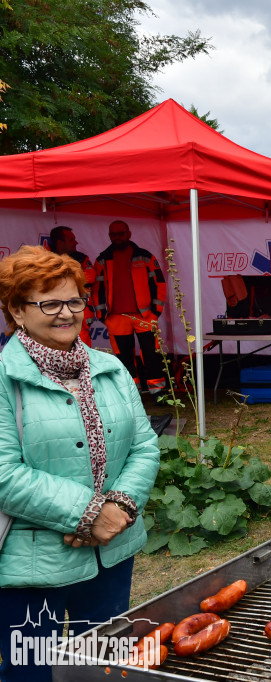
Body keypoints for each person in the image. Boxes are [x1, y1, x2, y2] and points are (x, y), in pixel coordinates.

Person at [0, 246, 160, 682]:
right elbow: (4, 472)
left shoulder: (109, 367)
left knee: (105, 667)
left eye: (74, 300)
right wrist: (90, 513)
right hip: (32, 564)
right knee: (30, 671)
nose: (66, 313)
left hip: (112, 552)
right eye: (48, 302)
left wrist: (121, 508)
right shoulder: (4, 377)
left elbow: (145, 446)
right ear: (17, 309)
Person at [92, 220, 167, 393]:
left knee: (152, 355)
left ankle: (158, 392)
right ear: (109, 236)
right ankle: (131, 392)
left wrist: (155, 311)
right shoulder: (102, 259)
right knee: (123, 358)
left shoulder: (145, 256)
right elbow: (97, 289)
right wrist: (102, 314)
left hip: (145, 315)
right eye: (114, 234)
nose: (117, 237)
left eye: (121, 233)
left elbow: (159, 283)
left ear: (129, 234)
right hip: (116, 318)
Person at [49, 225, 96, 347]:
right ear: (60, 243)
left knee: (83, 352)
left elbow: (90, 276)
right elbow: (45, 283)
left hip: (80, 316)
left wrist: (62, 280)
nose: (76, 242)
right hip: (54, 315)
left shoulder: (81, 258)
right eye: (71, 240)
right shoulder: (45, 260)